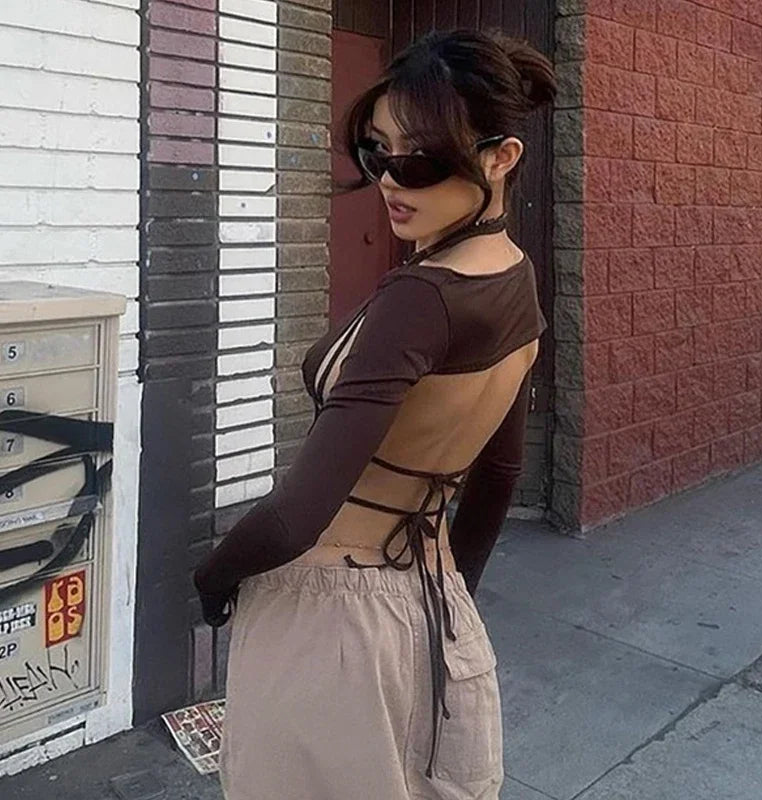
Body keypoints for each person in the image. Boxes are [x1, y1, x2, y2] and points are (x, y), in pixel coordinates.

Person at [193, 28, 556, 800]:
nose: (392, 179)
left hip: (330, 618)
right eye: (378, 152)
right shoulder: (516, 279)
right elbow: (498, 478)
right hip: (436, 606)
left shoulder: (420, 299)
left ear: (502, 158)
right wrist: (450, 613)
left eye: (421, 159)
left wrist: (214, 578)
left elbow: (296, 516)